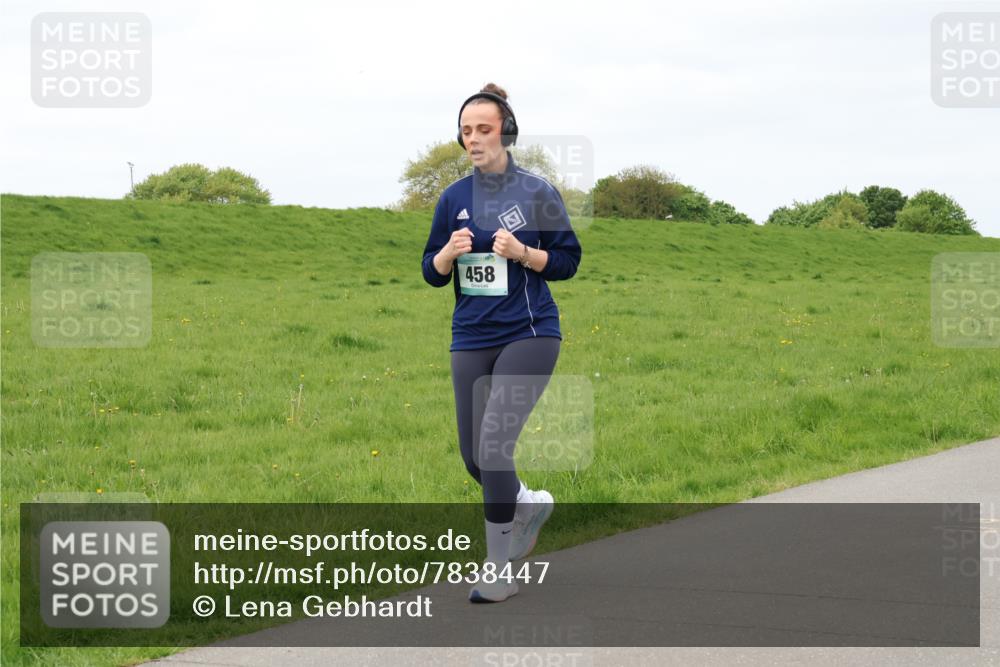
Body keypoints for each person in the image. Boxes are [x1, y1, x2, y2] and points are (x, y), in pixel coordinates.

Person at [420, 82, 583, 603]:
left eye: (483, 130)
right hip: (469, 336)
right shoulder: (452, 199)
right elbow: (431, 271)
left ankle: (498, 568)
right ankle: (528, 503)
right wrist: (446, 254)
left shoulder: (537, 192)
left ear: (506, 133)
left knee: (494, 446)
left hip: (529, 332)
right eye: (466, 131)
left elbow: (568, 261)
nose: (473, 139)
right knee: (475, 457)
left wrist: (525, 253)